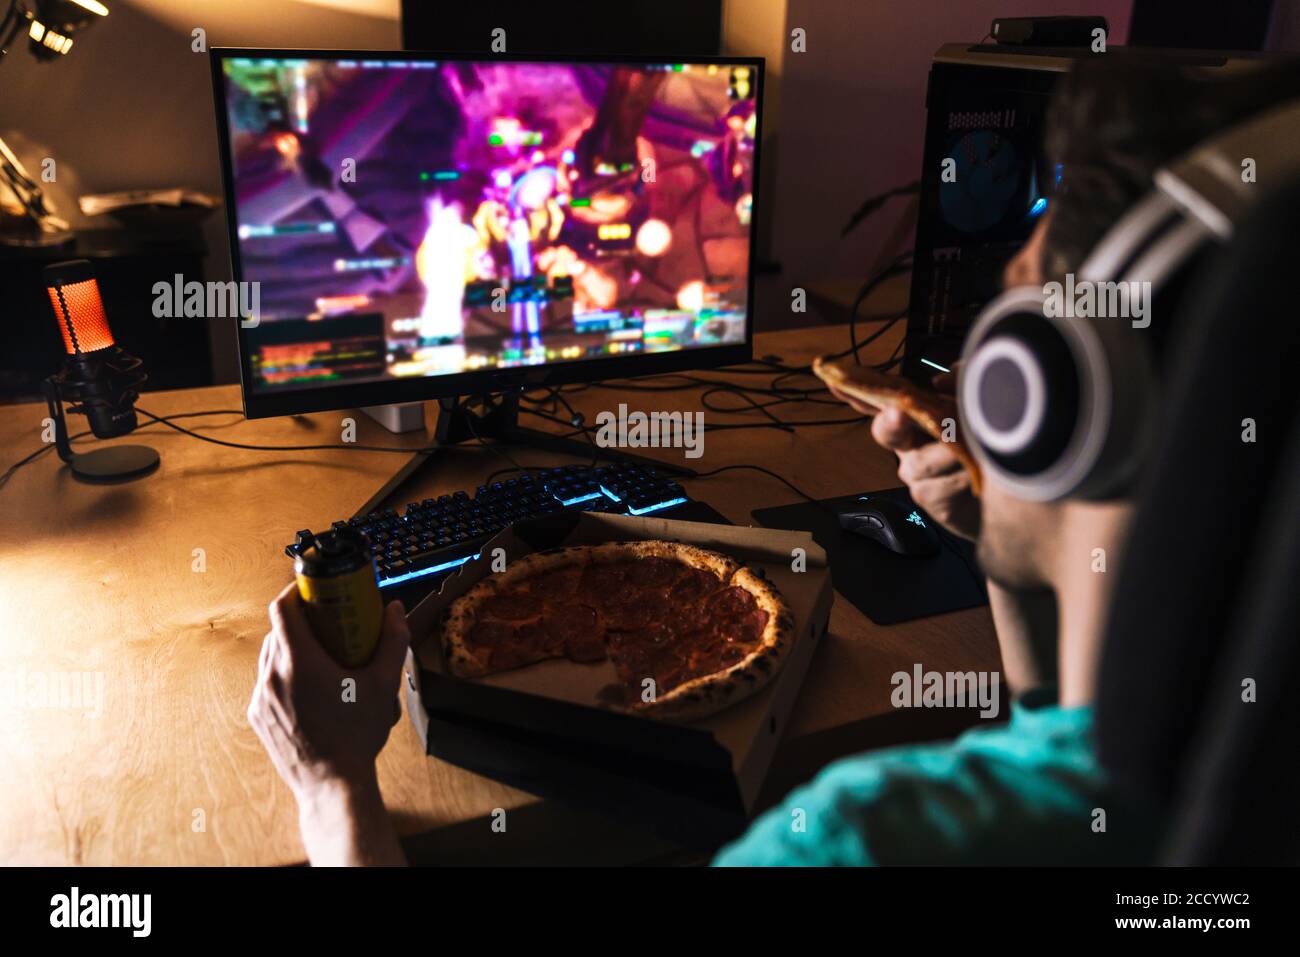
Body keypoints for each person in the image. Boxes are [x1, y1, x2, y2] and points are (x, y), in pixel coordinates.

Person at [246, 59, 1290, 866]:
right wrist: (1014, 536)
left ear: (1064, 407)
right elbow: (1056, 744)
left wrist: (333, 784)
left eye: (1008, 323)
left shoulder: (873, 835)